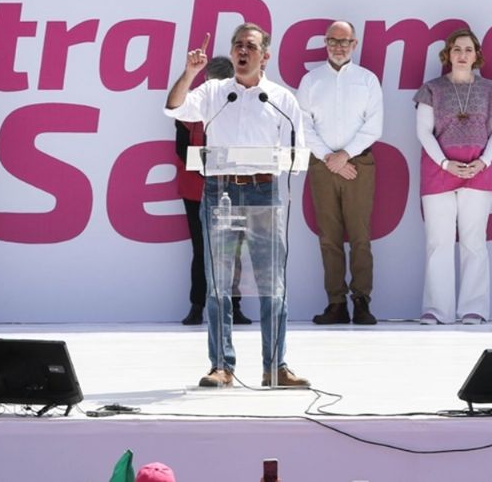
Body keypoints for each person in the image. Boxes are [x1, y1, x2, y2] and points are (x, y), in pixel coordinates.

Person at [164, 23, 311, 388]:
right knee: (218, 285)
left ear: (266, 55)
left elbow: (295, 154)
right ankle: (221, 366)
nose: (242, 51)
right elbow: (173, 108)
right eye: (237, 45)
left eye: (250, 46)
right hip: (221, 193)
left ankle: (275, 366)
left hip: (265, 193)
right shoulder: (213, 92)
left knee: (272, 284)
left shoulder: (281, 98)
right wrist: (190, 73)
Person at [414, 28, 492, 325]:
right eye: (456, 49)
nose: (462, 55)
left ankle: (474, 308)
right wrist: (445, 163)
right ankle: (436, 310)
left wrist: (483, 161)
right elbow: (423, 132)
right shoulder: (431, 89)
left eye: (468, 50)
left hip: (478, 171)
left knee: (474, 240)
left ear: (476, 55)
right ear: (447, 54)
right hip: (438, 171)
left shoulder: (491, 89)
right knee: (438, 241)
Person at [297, 21, 383, 325]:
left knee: (360, 236)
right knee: (329, 237)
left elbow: (373, 125)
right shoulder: (311, 81)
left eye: (344, 41)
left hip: (358, 165)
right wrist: (329, 158)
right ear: (325, 42)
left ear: (354, 44)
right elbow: (304, 125)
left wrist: (345, 156)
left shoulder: (367, 80)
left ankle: (361, 300)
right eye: (333, 41)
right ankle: (336, 302)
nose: (338, 46)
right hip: (321, 165)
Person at [175, 56, 251, 326]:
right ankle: (197, 306)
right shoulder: (191, 106)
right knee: (201, 248)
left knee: (233, 248)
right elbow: (182, 149)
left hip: (233, 187)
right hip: (197, 189)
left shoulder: (242, 106)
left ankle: (235, 305)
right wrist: (208, 170)